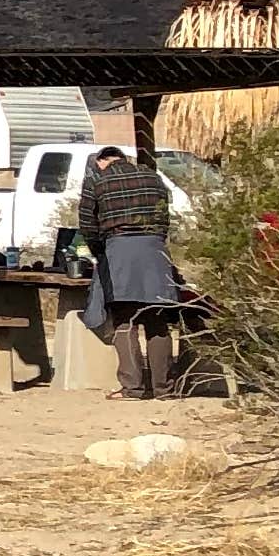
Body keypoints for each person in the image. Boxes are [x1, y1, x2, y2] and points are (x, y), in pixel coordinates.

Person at [76, 146, 184, 400]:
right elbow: (164, 217)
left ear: (102, 162)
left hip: (119, 251)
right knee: (157, 322)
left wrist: (100, 251)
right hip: (155, 250)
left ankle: (133, 388)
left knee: (125, 321)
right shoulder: (153, 178)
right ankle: (163, 389)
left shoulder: (99, 182)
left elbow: (87, 223)